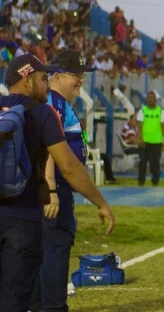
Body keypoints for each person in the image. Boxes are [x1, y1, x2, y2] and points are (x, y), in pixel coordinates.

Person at [0, 54, 115, 312]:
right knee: (19, 295)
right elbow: (69, 167)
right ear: (28, 81)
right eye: (43, 78)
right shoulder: (43, 111)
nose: (47, 83)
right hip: (25, 214)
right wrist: (101, 203)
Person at [29, 50, 95, 312]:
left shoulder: (58, 103)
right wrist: (52, 189)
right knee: (55, 246)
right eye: (75, 75)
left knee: (46, 248)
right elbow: (48, 147)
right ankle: (52, 306)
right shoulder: (53, 104)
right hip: (55, 189)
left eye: (82, 74)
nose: (80, 80)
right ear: (56, 76)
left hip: (54, 187)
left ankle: (38, 304)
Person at [136, 91, 164, 186]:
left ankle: (155, 181)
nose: (150, 100)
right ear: (146, 99)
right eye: (149, 98)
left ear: (155, 100)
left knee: (155, 163)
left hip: (156, 141)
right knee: (142, 162)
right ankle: (141, 181)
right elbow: (139, 126)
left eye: (152, 98)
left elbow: (163, 127)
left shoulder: (160, 111)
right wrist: (140, 139)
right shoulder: (143, 111)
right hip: (144, 141)